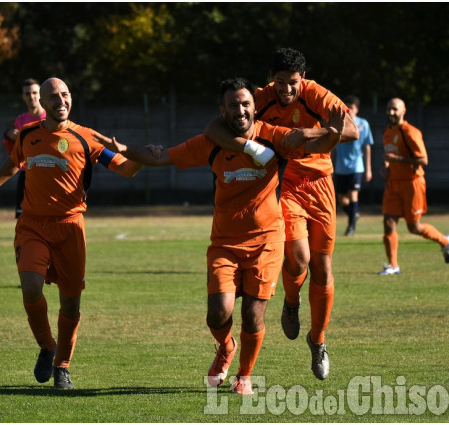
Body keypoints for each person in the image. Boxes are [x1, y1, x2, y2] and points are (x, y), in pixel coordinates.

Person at [93, 78, 348, 394]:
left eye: (245, 105)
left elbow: (315, 147)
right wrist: (123, 149)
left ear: (254, 108)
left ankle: (244, 375)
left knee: (253, 315)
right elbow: (161, 156)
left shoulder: (273, 137)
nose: (240, 111)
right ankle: (226, 346)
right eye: (233, 105)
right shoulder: (209, 143)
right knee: (217, 313)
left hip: (266, 242)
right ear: (222, 110)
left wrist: (332, 134)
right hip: (225, 244)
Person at [0, 77, 142, 389]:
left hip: (70, 228)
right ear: (41, 105)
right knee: (31, 288)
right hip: (32, 225)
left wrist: (137, 154)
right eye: (52, 96)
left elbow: (126, 169)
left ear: (70, 98)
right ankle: (47, 347)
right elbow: (12, 164)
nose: (60, 100)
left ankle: (62, 366)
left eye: (64, 94)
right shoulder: (28, 135)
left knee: (71, 304)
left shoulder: (87, 138)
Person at [204, 48, 359, 380]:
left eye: (292, 83)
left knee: (322, 267)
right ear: (269, 80)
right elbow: (215, 127)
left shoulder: (316, 95)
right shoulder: (259, 98)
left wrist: (309, 134)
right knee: (298, 257)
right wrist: (248, 146)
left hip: (320, 182)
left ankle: (317, 340)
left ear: (302, 79)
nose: (286, 90)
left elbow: (352, 131)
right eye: (279, 83)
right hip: (286, 182)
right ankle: (291, 300)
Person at [378, 97, 449, 275]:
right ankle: (393, 266)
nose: (391, 112)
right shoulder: (386, 132)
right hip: (393, 183)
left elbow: (423, 159)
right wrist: (387, 168)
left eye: (395, 109)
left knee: (414, 227)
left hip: (412, 183)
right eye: (389, 108)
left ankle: (444, 241)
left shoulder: (411, 132)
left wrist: (397, 160)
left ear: (403, 111)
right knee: (388, 223)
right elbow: (389, 156)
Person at [2, 78, 47, 218]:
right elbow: (14, 150)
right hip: (26, 174)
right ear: (23, 96)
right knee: (23, 217)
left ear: (41, 94)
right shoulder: (21, 120)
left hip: (47, 172)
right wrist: (9, 135)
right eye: (27, 94)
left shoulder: (50, 118)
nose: (31, 96)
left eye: (35, 92)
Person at [333, 95, 374, 236]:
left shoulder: (363, 124)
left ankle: (351, 227)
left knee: (353, 195)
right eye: (347, 107)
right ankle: (353, 214)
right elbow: (331, 145)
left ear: (357, 109)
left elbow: (367, 147)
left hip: (356, 166)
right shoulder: (338, 123)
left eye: (352, 107)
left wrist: (368, 169)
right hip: (340, 167)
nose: (349, 110)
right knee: (342, 199)